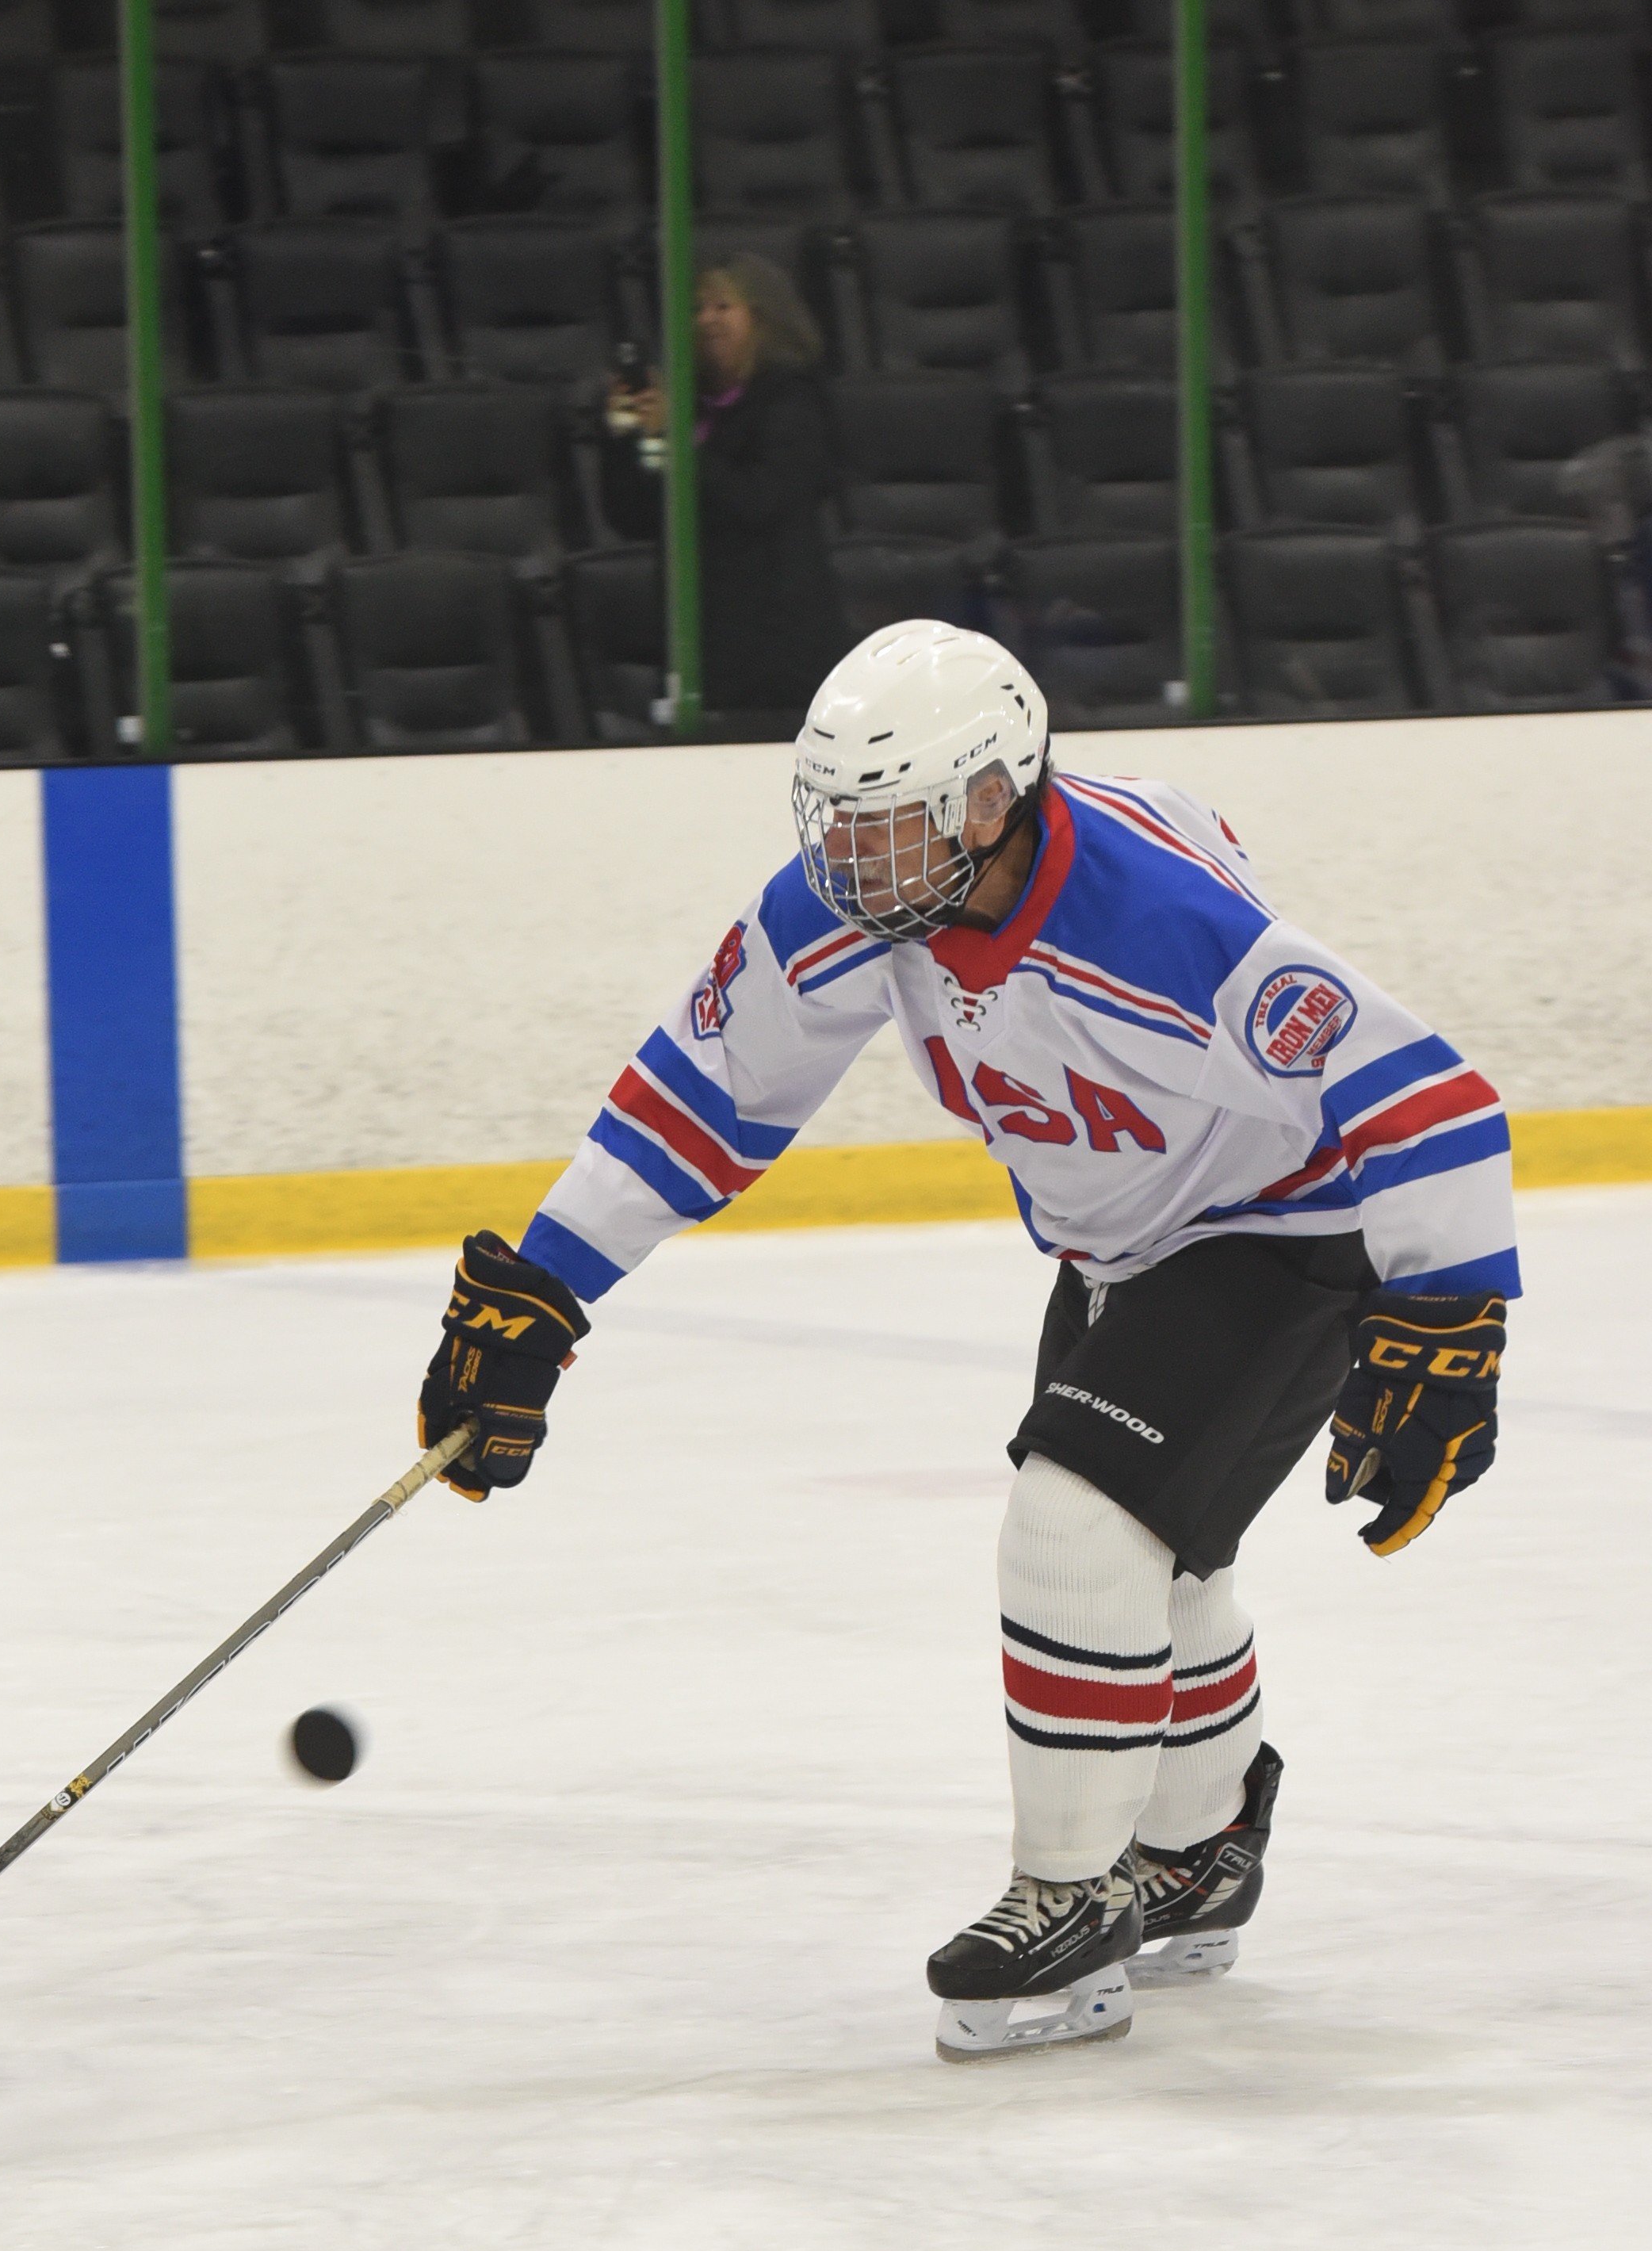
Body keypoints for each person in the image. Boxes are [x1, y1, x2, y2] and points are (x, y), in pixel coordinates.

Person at [411, 620, 1514, 2061]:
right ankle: (1199, 1847)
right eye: (832, 825)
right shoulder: (864, 902)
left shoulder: (1145, 918)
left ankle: (1069, 1899)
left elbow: (1430, 1099)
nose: (842, 862)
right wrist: (543, 1291)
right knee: (1155, 1567)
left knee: (1073, 1525)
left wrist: (1447, 1322)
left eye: (878, 828)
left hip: (1286, 1228)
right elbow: (707, 1091)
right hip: (1124, 1240)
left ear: (989, 802)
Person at [601, 258, 854, 737]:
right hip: (704, 648)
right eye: (698, 308)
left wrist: (679, 440)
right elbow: (632, 515)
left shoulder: (791, 400)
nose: (706, 319)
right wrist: (626, 434)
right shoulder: (689, 404)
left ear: (763, 317)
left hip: (777, 655)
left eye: (723, 305)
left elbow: (759, 499)